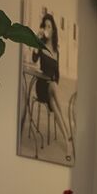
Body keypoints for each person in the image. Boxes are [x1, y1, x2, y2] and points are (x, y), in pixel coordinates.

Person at [33, 13, 72, 157]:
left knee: (54, 99)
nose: (47, 29)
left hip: (51, 88)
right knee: (53, 89)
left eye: (49, 26)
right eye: (45, 26)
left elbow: (57, 74)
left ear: (53, 30)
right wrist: (36, 39)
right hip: (41, 86)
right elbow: (34, 58)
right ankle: (68, 133)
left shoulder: (56, 51)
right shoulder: (40, 45)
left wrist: (55, 83)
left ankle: (67, 140)